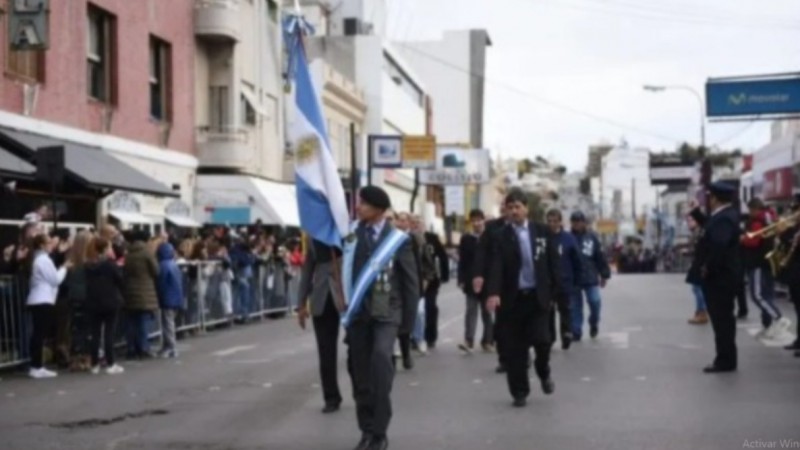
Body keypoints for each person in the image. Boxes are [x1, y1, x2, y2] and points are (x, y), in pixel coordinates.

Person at [346, 186, 419, 450]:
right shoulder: (351, 236)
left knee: (380, 360)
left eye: (363, 203)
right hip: (358, 315)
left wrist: (407, 327)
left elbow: (411, 283)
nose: (358, 207)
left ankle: (380, 432)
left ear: (378, 209)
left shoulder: (399, 240)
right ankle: (366, 431)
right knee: (360, 375)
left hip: (388, 313)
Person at [485, 190, 565, 407]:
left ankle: (543, 372)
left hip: (537, 298)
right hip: (512, 300)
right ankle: (519, 391)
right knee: (515, 349)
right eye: (510, 207)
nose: (514, 211)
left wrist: (556, 292)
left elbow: (553, 263)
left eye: (518, 207)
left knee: (542, 341)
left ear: (526, 208)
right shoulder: (501, 235)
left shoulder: (541, 232)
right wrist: (493, 293)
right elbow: (496, 266)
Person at [690, 181, 742, 373]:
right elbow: (710, 228)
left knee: (722, 320)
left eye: (709, 197)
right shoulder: (722, 216)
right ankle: (725, 357)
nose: (708, 201)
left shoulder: (725, 218)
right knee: (721, 320)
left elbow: (719, 244)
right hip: (721, 276)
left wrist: (707, 267)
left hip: (721, 277)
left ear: (715, 198)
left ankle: (725, 360)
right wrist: (696, 213)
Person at [297, 239, 344, 414]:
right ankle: (331, 397)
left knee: (357, 351)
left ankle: (362, 393)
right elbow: (307, 271)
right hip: (321, 299)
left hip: (346, 296)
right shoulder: (313, 240)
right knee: (326, 352)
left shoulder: (347, 233)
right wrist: (301, 304)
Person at [741, 198, 790, 340]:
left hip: (757, 262)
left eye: (751, 210)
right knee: (767, 294)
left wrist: (743, 238)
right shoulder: (770, 218)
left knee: (757, 295)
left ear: (756, 209)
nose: (749, 213)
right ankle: (768, 325)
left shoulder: (758, 221)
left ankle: (778, 318)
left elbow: (753, 241)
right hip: (768, 261)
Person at [26, 233, 70, 379]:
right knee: (40, 334)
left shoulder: (38, 259)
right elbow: (55, 279)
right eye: (49, 242)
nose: (52, 244)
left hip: (39, 298)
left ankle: (37, 365)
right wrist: (64, 267)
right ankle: (36, 366)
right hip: (42, 299)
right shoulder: (43, 260)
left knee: (38, 333)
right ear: (41, 245)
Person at [473, 205, 509, 373]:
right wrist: (478, 275)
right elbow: (481, 251)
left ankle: (522, 354)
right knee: (501, 322)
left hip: (521, 283)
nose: (510, 211)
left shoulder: (528, 228)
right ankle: (504, 358)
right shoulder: (493, 227)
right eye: (507, 207)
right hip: (497, 281)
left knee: (520, 322)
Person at [84, 237, 125, 375]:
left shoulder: (89, 265)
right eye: (110, 247)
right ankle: (110, 363)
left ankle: (94, 364)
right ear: (106, 249)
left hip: (94, 302)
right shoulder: (110, 265)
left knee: (95, 334)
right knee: (108, 333)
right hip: (110, 301)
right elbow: (120, 280)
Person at [569, 211, 611, 340]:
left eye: (579, 221)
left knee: (595, 301)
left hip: (590, 275)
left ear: (584, 223)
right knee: (575, 306)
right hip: (573, 277)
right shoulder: (567, 237)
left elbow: (600, 256)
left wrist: (604, 274)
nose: (577, 224)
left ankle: (594, 322)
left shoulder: (592, 237)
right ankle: (576, 331)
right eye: (574, 222)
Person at [458, 209, 494, 354]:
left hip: (488, 281)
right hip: (470, 281)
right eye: (474, 220)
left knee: (487, 312)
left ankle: (488, 341)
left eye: (479, 220)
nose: (476, 223)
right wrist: (461, 279)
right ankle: (469, 341)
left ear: (483, 220)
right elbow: (462, 261)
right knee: (471, 311)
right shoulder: (466, 239)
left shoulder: (491, 237)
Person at [545, 209, 580, 350]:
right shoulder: (544, 238)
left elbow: (576, 260)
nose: (552, 224)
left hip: (565, 281)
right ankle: (550, 337)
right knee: (549, 311)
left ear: (560, 222)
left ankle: (566, 334)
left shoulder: (568, 238)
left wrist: (576, 279)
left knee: (565, 309)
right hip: (548, 283)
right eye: (549, 221)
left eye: (555, 221)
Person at [122, 231, 159, 359]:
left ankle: (131, 348)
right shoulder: (147, 253)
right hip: (145, 290)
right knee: (143, 322)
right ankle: (143, 348)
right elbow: (156, 270)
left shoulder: (128, 254)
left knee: (131, 322)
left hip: (130, 291)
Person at [778, 194, 800, 355]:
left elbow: (793, 242)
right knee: (797, 308)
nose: (794, 213)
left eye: (797, 210)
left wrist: (785, 232)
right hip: (795, 272)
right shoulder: (795, 228)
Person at [156, 242, 184, 358]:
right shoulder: (173, 264)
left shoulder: (163, 265)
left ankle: (171, 347)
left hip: (167, 297)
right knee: (169, 323)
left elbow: (161, 283)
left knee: (167, 323)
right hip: (176, 296)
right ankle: (168, 346)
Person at [685, 214, 709, 325]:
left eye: (691, 220)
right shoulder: (697, 232)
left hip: (700, 262)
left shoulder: (700, 232)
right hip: (698, 261)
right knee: (697, 288)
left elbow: (699, 248)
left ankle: (702, 311)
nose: (689, 223)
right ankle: (700, 311)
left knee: (698, 288)